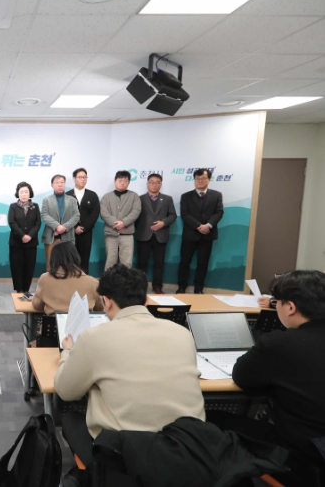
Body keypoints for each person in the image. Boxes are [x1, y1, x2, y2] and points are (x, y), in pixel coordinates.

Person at [54, 264, 205, 465]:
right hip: (187, 450)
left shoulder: (93, 338)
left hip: (125, 456)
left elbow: (65, 391)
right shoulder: (183, 333)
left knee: (71, 418)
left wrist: (67, 352)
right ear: (147, 300)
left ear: (107, 302)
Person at [208, 270, 325, 486]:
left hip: (305, 456)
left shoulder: (279, 344)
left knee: (210, 418)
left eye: (277, 301)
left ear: (290, 307)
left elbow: (242, 377)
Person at [176, 168, 224, 294]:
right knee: (185, 262)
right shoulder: (186, 196)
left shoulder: (217, 195)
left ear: (209, 180)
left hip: (208, 234)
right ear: (194, 180)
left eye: (203, 178)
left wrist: (208, 225)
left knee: (203, 263)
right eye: (197, 178)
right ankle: (181, 287)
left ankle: (199, 288)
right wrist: (199, 226)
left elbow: (219, 212)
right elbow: (184, 214)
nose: (200, 181)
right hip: (190, 234)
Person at [32, 241, 103, 315]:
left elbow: (37, 306)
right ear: (76, 256)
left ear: (53, 259)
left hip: (54, 322)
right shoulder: (93, 282)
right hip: (84, 322)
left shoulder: (45, 279)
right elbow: (100, 308)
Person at [135, 173, 177, 294]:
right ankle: (140, 287)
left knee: (159, 263)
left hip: (161, 235)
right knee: (142, 263)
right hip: (144, 235)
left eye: (157, 182)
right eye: (152, 182)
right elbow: (135, 217)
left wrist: (163, 222)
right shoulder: (139, 199)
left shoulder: (167, 199)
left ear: (161, 184)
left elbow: (173, 215)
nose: (154, 184)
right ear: (147, 184)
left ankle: (157, 286)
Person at [99, 170, 141, 270]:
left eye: (125, 181)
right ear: (115, 181)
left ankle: (126, 281)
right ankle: (108, 280)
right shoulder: (106, 197)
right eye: (120, 180)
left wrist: (124, 223)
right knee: (110, 261)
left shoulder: (134, 196)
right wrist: (117, 224)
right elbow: (104, 213)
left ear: (129, 182)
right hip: (111, 234)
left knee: (126, 262)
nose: (122, 183)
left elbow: (136, 212)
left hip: (127, 234)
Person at [41, 174, 80, 271]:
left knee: (68, 265)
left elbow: (76, 216)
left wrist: (64, 227)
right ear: (52, 185)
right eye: (57, 183)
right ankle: (50, 281)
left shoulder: (72, 200)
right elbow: (44, 215)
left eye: (62, 182)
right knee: (50, 265)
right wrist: (57, 226)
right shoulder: (47, 200)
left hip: (67, 236)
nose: (60, 185)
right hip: (51, 237)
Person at [8, 181, 41, 293]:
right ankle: (19, 289)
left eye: (26, 192)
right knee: (16, 266)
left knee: (29, 266)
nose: (23, 194)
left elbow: (38, 223)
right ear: (17, 193)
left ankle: (26, 289)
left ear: (29, 193)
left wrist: (30, 236)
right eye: (21, 192)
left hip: (31, 243)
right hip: (16, 242)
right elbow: (12, 222)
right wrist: (22, 235)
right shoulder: (13, 206)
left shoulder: (35, 206)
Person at [66, 168, 100, 274]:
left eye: (85, 177)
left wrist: (84, 228)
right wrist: (74, 227)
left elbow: (95, 214)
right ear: (74, 178)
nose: (83, 179)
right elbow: (65, 214)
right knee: (71, 258)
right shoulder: (67, 195)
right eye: (80, 177)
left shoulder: (92, 195)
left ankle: (84, 280)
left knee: (84, 258)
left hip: (86, 232)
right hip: (70, 232)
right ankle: (70, 280)